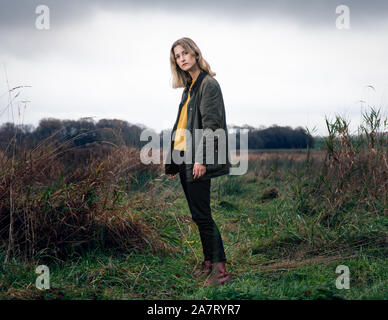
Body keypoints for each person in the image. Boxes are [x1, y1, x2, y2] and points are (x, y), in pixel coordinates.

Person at [164, 37, 232, 286]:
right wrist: (173, 163)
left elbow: (211, 127)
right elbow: (181, 127)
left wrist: (202, 160)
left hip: (196, 159)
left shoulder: (208, 84)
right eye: (177, 56)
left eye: (184, 53)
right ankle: (208, 264)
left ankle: (221, 272)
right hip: (184, 158)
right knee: (197, 215)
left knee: (203, 216)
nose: (181, 58)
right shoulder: (190, 87)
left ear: (195, 53)